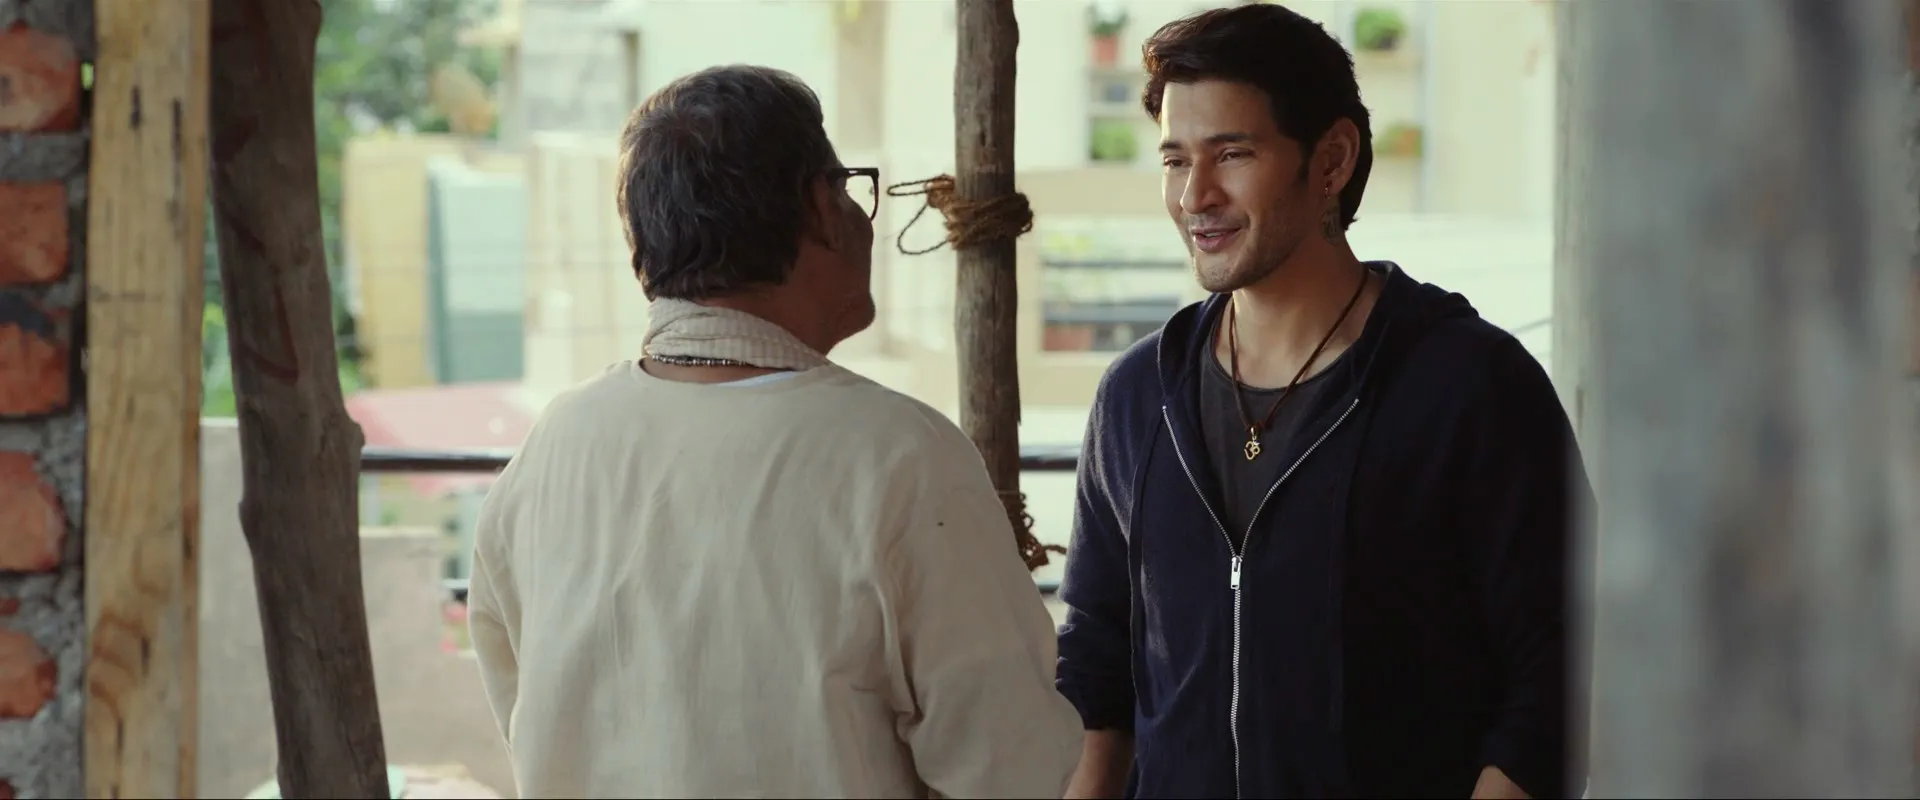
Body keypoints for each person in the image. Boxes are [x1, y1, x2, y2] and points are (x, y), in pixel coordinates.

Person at [465, 65, 1082, 799]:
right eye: (851, 189)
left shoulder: (553, 447)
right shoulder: (898, 457)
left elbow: (525, 711)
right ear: (822, 207)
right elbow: (1011, 769)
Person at [1055, 6, 1591, 799]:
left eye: (1232, 153)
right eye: (1175, 160)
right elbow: (1100, 666)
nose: (1196, 195)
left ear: (1332, 159)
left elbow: (1560, 676)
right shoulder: (1138, 397)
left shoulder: (1471, 387)